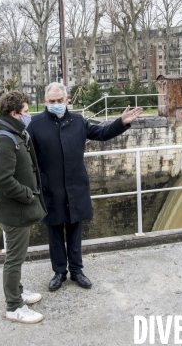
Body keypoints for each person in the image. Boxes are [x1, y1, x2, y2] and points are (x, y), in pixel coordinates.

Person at [27, 82, 143, 291]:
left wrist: (121, 122)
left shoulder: (78, 121)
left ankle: (77, 270)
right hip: (49, 189)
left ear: (67, 100)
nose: (56, 104)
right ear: (45, 102)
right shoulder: (35, 125)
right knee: (54, 233)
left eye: (59, 100)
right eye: (51, 101)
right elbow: (27, 156)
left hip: (75, 187)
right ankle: (59, 272)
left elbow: (101, 133)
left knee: (75, 231)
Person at [0, 91, 47, 324]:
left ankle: (18, 292)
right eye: (25, 112)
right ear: (14, 113)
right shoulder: (4, 138)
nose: (28, 115)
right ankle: (13, 306)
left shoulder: (13, 133)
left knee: (17, 256)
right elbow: (2, 180)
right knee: (13, 259)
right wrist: (27, 194)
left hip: (19, 208)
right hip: (16, 210)